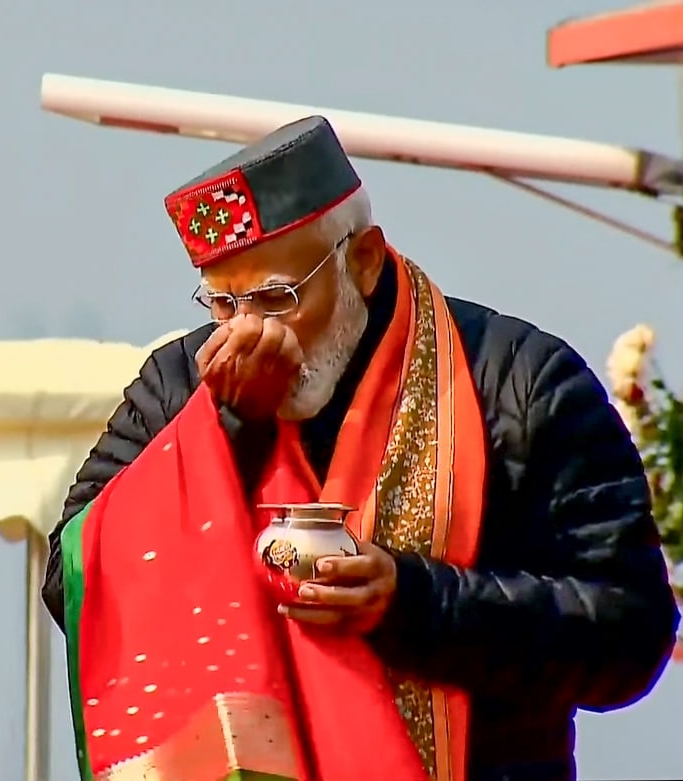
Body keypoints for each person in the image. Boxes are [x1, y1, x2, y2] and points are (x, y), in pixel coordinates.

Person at [42, 116, 680, 781]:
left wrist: (414, 602)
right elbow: (74, 585)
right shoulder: (180, 385)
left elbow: (630, 635)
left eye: (274, 297)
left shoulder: (516, 381)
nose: (247, 333)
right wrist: (226, 430)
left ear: (364, 259)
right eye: (223, 304)